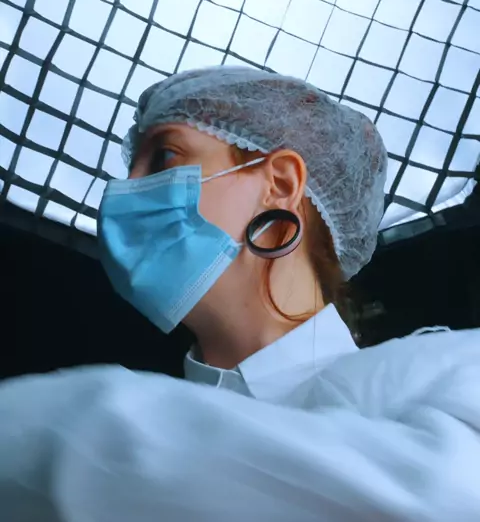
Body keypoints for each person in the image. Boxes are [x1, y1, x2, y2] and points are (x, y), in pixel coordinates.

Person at [0, 66, 479, 521]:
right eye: (132, 166)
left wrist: (65, 433)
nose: (125, 192)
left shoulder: (449, 369)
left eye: (164, 157)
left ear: (281, 184)